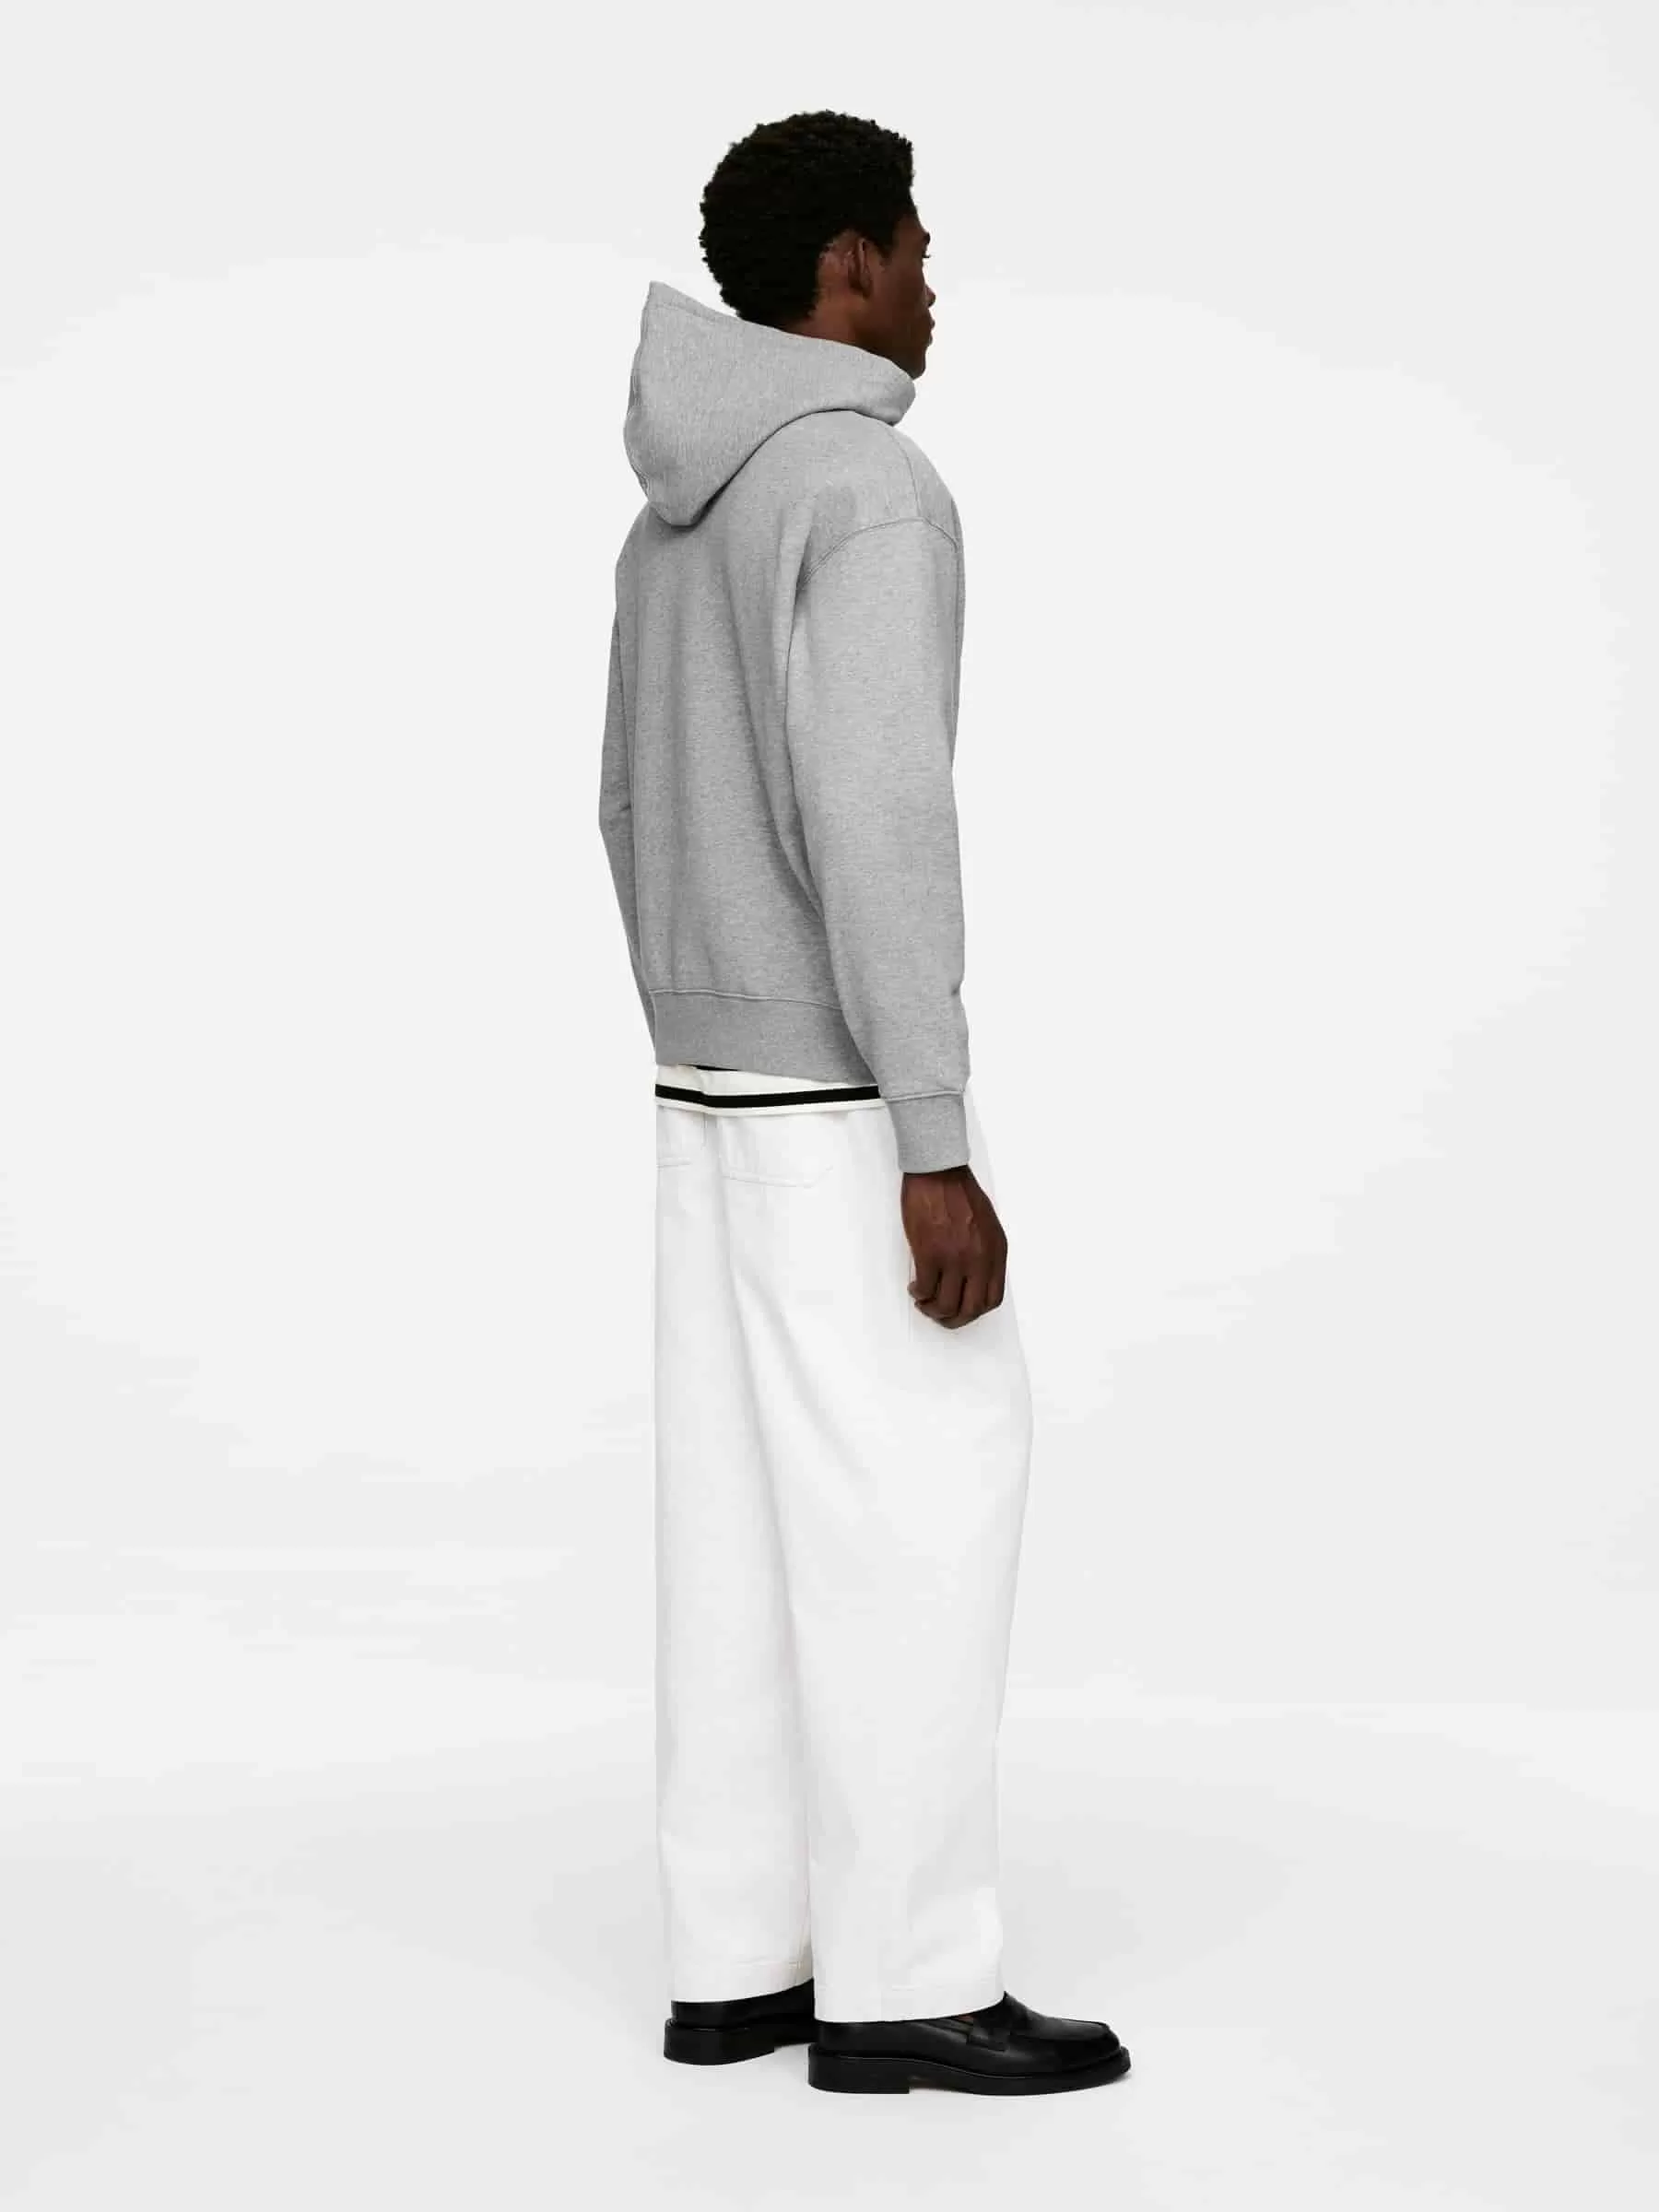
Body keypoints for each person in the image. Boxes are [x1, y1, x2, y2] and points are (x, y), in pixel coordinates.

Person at [597, 109, 1129, 2097]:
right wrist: (934, 1135)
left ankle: (739, 1965)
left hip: (702, 1091)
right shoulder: (864, 491)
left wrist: (706, 1004)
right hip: (831, 1100)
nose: (930, 287)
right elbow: (883, 820)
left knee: (734, 1533)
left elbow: (623, 806)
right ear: (845, 262)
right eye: (913, 248)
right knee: (921, 1506)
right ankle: (905, 1983)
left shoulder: (672, 516)